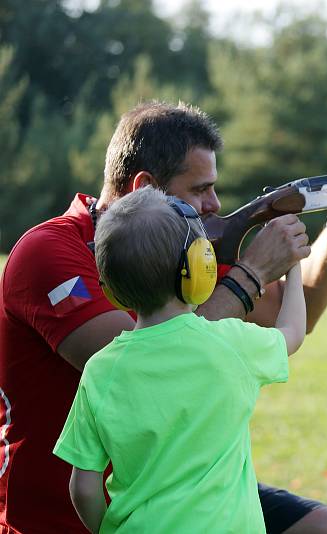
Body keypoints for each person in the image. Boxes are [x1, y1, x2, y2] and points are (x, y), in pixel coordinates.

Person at [0, 101, 327, 533]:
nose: (215, 203)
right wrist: (252, 272)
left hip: (178, 491)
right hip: (58, 520)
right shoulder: (49, 252)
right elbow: (155, 357)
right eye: (200, 189)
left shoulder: (183, 251)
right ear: (145, 186)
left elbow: (294, 312)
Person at [54, 187, 306, 533]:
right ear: (199, 266)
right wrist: (293, 269)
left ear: (109, 287)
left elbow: (83, 487)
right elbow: (292, 331)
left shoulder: (101, 370)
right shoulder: (229, 343)